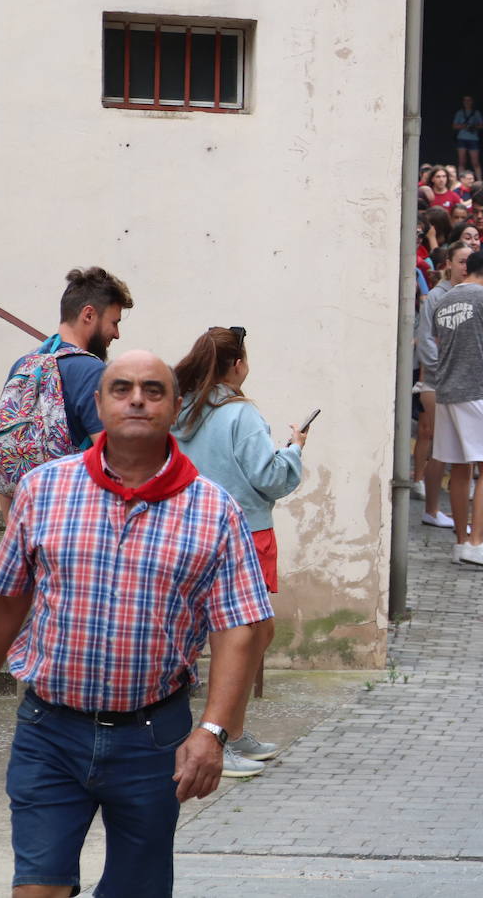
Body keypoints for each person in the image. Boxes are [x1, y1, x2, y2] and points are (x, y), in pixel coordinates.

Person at [0, 350, 273, 897]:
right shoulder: (43, 490)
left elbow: (238, 628)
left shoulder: (215, 511)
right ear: (99, 404)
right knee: (37, 889)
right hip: (48, 731)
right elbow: (3, 601)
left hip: (154, 740)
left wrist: (214, 732)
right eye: (121, 388)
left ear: (175, 407)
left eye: (153, 390)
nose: (136, 400)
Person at [172, 325, 305, 774]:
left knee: (253, 634)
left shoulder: (182, 407)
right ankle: (217, 737)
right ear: (236, 365)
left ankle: (230, 730)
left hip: (191, 529)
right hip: (243, 532)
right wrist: (294, 452)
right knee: (240, 637)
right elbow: (269, 478)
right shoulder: (240, 412)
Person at [0, 267, 134, 514]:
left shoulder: (24, 366)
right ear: (89, 315)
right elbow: (115, 466)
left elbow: (6, 460)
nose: (117, 334)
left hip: (27, 521)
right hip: (76, 521)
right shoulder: (92, 371)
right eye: (114, 322)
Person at [431, 251, 483, 570]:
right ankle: (478, 542)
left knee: (459, 467)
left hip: (446, 390)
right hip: (476, 391)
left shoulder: (444, 298)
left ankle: (461, 542)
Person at [414, 241, 472, 530]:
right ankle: (432, 507)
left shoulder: (475, 295)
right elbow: (425, 340)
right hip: (439, 381)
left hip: (465, 383)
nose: (465, 267)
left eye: (469, 262)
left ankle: (440, 506)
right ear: (449, 263)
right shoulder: (436, 298)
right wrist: (444, 371)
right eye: (461, 261)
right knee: (438, 443)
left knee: (452, 446)